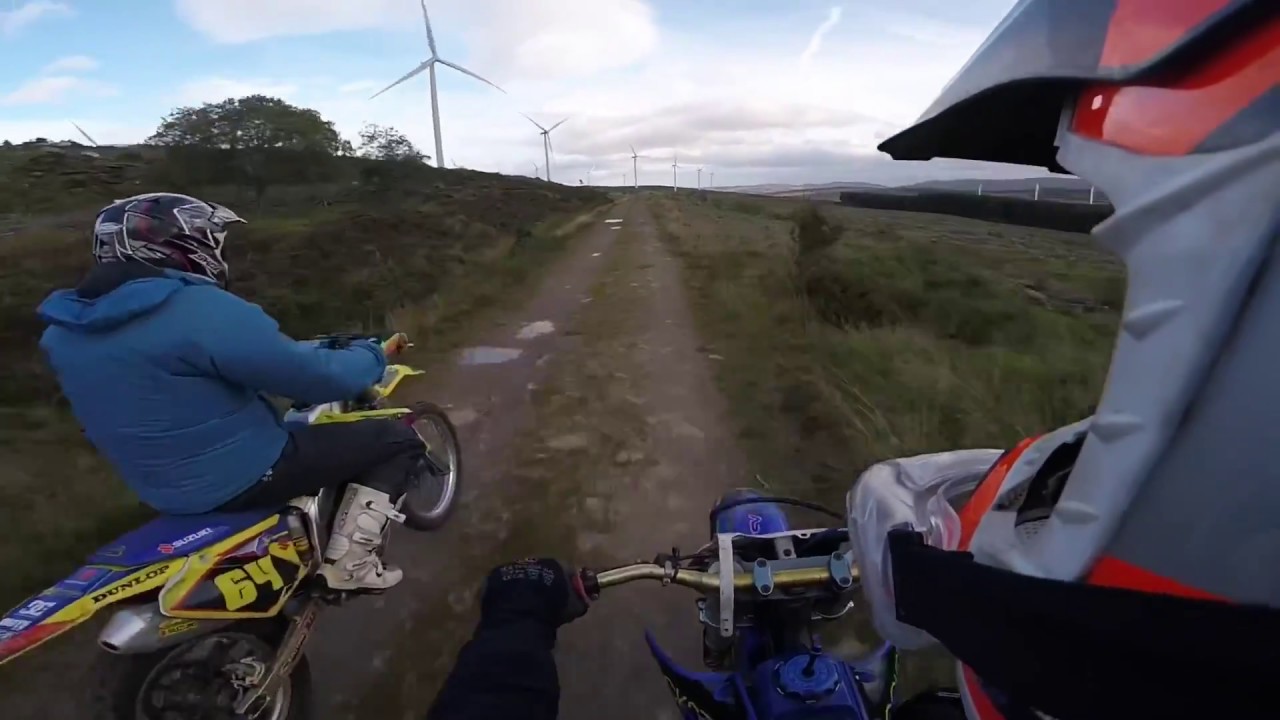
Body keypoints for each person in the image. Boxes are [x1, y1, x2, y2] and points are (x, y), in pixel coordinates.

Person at [37, 192, 425, 591]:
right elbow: (320, 380)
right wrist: (370, 356)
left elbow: (177, 374)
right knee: (396, 438)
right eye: (211, 238)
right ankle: (352, 565)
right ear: (186, 244)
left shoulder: (63, 332)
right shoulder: (199, 308)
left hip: (160, 490)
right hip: (244, 473)